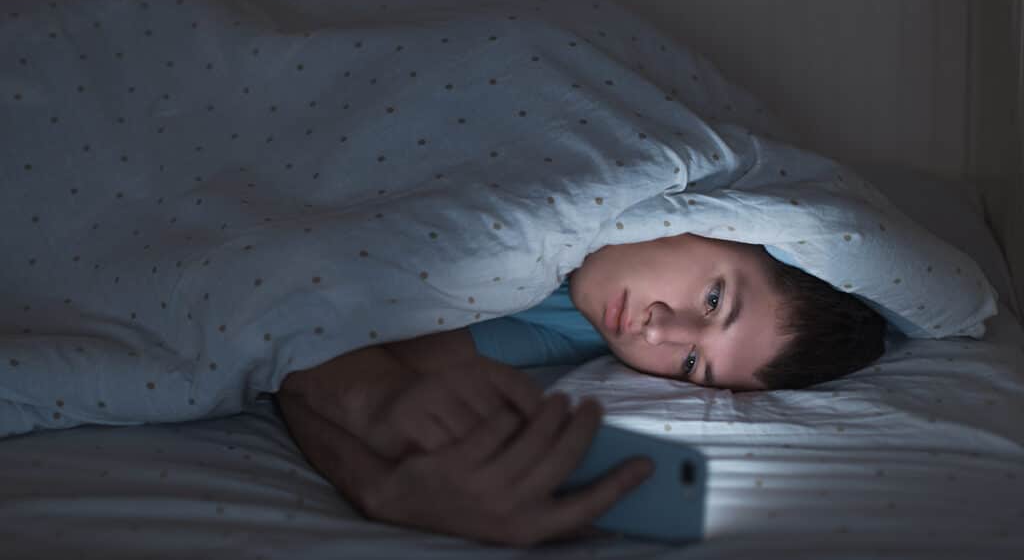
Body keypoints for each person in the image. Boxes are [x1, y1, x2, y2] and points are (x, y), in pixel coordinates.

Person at [274, 233, 887, 547]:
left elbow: (307, 348)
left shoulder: (564, 330)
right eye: (714, 298)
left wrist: (381, 487)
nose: (660, 331)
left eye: (693, 364)